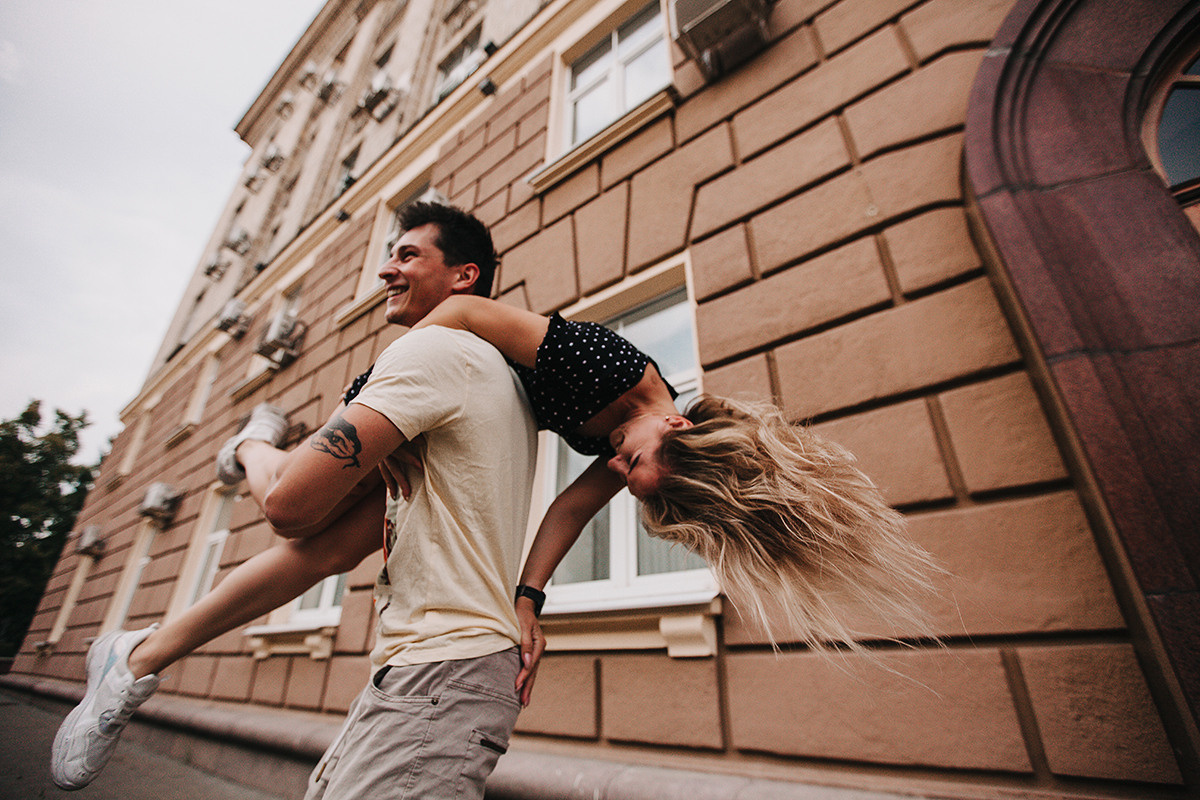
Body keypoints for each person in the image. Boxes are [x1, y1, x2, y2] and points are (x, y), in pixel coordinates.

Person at [52, 202, 541, 799]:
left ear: (465, 276)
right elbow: (321, 546)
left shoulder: (433, 352)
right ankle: (137, 656)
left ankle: (248, 445)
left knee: (292, 503)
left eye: (407, 255)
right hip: (434, 671)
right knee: (316, 537)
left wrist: (257, 451)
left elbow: (289, 511)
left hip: (439, 671)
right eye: (389, 254)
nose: (386, 270)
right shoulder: (501, 377)